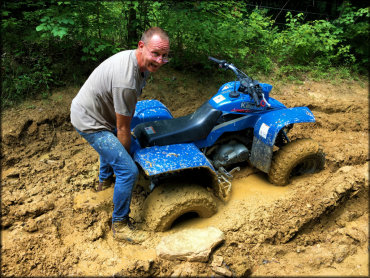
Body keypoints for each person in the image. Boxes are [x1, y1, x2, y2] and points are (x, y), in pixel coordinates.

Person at [70, 27, 170, 243]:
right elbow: (122, 129)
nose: (160, 61)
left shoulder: (137, 62)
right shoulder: (126, 80)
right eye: (156, 54)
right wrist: (124, 162)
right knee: (128, 170)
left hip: (96, 112)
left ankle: (104, 182)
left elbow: (125, 115)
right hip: (90, 121)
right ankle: (121, 226)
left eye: (164, 56)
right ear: (141, 46)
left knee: (114, 144)